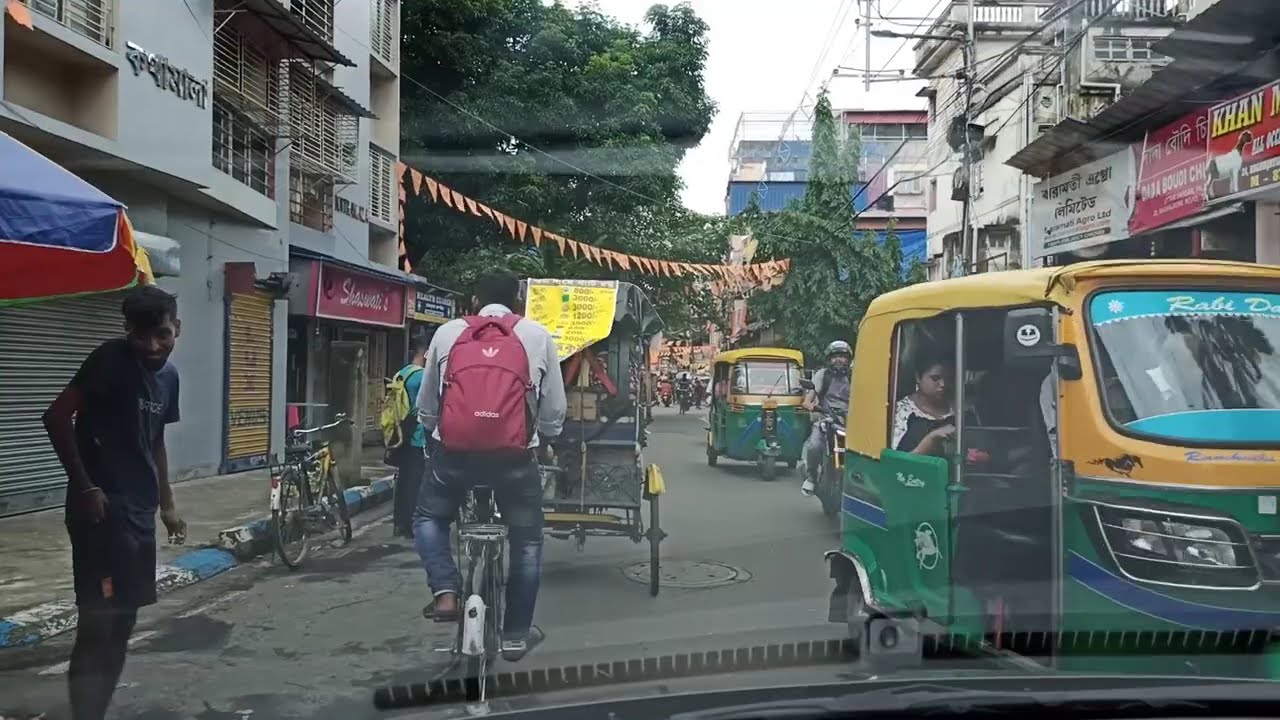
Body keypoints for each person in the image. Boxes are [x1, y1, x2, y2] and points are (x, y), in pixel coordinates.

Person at [42, 285, 187, 720]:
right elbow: (55, 417)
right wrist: (85, 486)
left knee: (123, 625)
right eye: (141, 336)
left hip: (140, 513)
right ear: (127, 331)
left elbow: (155, 440)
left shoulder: (169, 377)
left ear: (176, 327)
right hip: (100, 513)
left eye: (162, 334)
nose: (152, 346)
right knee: (97, 625)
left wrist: (167, 505)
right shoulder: (108, 359)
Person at [413, 270, 566, 661]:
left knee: (429, 518)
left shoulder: (447, 333)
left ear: (475, 298)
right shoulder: (536, 334)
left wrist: (432, 432)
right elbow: (554, 410)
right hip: (514, 459)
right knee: (527, 540)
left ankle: (446, 592)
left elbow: (428, 405)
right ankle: (515, 634)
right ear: (518, 301)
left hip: (455, 456)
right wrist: (546, 436)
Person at [390, 333, 430, 539]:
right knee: (415, 483)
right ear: (424, 354)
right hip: (417, 436)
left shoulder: (401, 373)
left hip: (400, 434)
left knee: (403, 481)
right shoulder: (423, 376)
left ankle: (399, 523)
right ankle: (410, 525)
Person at [801, 340, 853, 496]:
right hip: (826, 419)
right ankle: (810, 476)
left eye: (842, 356)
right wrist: (809, 405)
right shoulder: (823, 375)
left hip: (849, 422)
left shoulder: (855, 376)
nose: (838, 360)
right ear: (829, 359)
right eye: (835, 356)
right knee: (814, 446)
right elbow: (808, 399)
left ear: (849, 359)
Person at [891, 351, 956, 456]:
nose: (943, 384)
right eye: (935, 378)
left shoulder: (962, 410)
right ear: (918, 377)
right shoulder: (901, 413)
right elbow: (895, 464)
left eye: (949, 379)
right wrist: (931, 440)